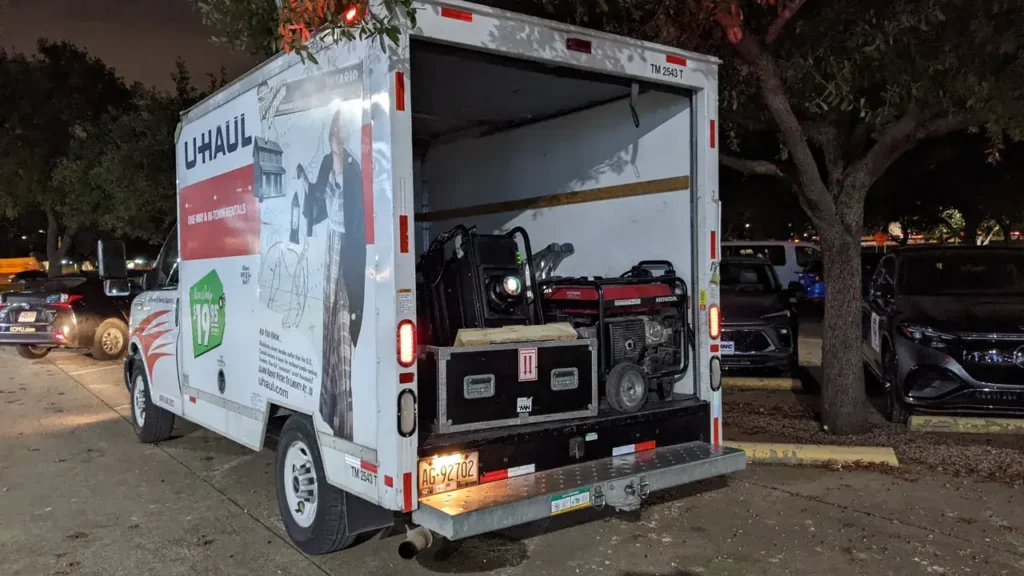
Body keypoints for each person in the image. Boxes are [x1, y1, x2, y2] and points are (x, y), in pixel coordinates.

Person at [304, 108, 365, 440]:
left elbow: (354, 219)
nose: (337, 138)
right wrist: (304, 184)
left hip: (349, 257)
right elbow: (317, 205)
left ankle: (345, 422)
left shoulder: (353, 168)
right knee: (331, 329)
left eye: (342, 132)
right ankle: (329, 408)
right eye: (334, 132)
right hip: (331, 253)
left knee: (343, 327)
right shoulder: (329, 163)